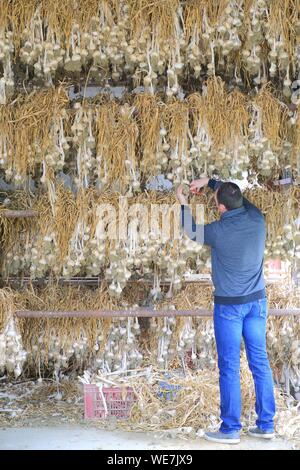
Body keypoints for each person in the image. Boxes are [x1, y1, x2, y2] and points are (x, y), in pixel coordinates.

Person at [176, 177, 276, 445]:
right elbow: (236, 199)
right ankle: (266, 424)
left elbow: (192, 231)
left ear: (220, 208)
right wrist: (211, 183)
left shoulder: (218, 232)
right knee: (260, 362)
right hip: (257, 303)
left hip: (229, 307)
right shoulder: (257, 220)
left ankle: (230, 429)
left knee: (229, 366)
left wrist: (183, 202)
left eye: (215, 199)